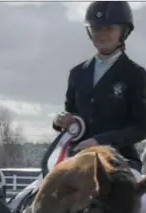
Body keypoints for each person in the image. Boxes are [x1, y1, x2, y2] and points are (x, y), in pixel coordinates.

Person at [53, 1, 146, 172]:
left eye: (109, 28)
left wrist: (100, 141)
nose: (102, 34)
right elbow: (72, 114)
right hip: (78, 158)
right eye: (97, 29)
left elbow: (141, 127)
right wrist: (62, 120)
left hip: (120, 161)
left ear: (123, 31)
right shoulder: (77, 73)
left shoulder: (136, 75)